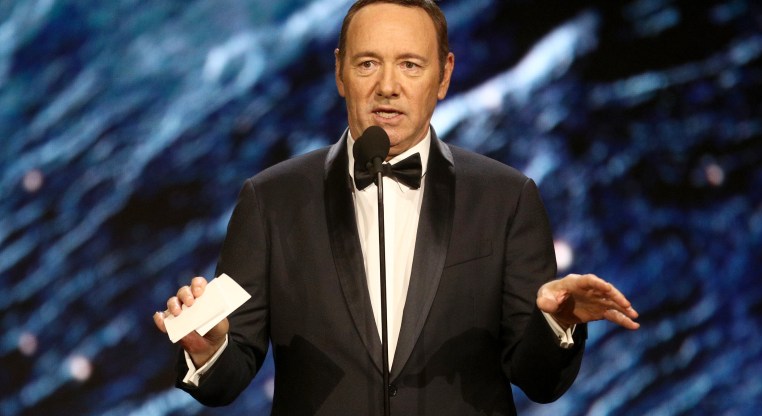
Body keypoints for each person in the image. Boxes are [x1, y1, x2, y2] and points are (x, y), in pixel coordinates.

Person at [153, 1, 640, 414]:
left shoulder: (508, 199)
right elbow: (229, 375)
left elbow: (540, 381)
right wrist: (210, 348)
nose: (388, 86)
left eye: (410, 65)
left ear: (444, 75)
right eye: (368, 64)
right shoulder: (270, 201)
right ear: (340, 72)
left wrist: (558, 322)